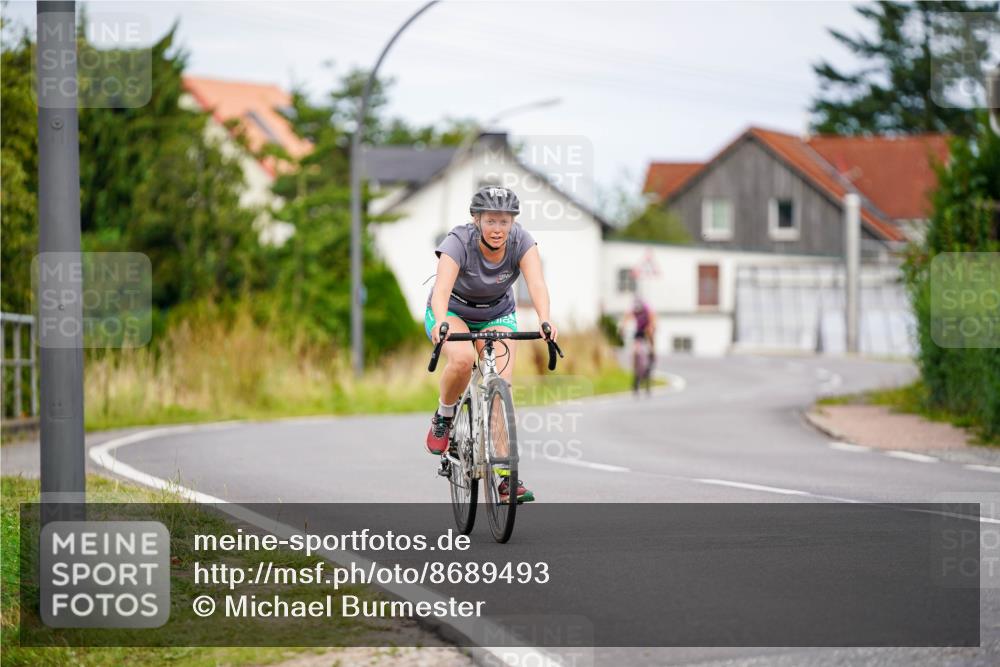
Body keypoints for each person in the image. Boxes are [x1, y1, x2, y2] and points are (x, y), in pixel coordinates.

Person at [424, 185, 558, 504]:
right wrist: (441, 322)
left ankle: (505, 477)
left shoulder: (522, 241)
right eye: (491, 221)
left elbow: (537, 283)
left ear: (513, 222)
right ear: (477, 220)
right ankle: (444, 414)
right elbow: (441, 290)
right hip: (453, 312)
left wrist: (545, 320)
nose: (498, 229)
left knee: (500, 384)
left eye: (504, 221)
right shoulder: (458, 241)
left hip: (497, 313)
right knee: (461, 360)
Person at [620, 296, 657, 393]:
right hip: (639, 330)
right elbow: (626, 319)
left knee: (650, 339)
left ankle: (652, 356)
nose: (638, 313)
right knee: (635, 350)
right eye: (637, 312)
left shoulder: (647, 309)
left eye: (639, 312)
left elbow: (653, 320)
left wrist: (651, 328)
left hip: (648, 328)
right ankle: (636, 368)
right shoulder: (633, 309)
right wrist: (622, 328)